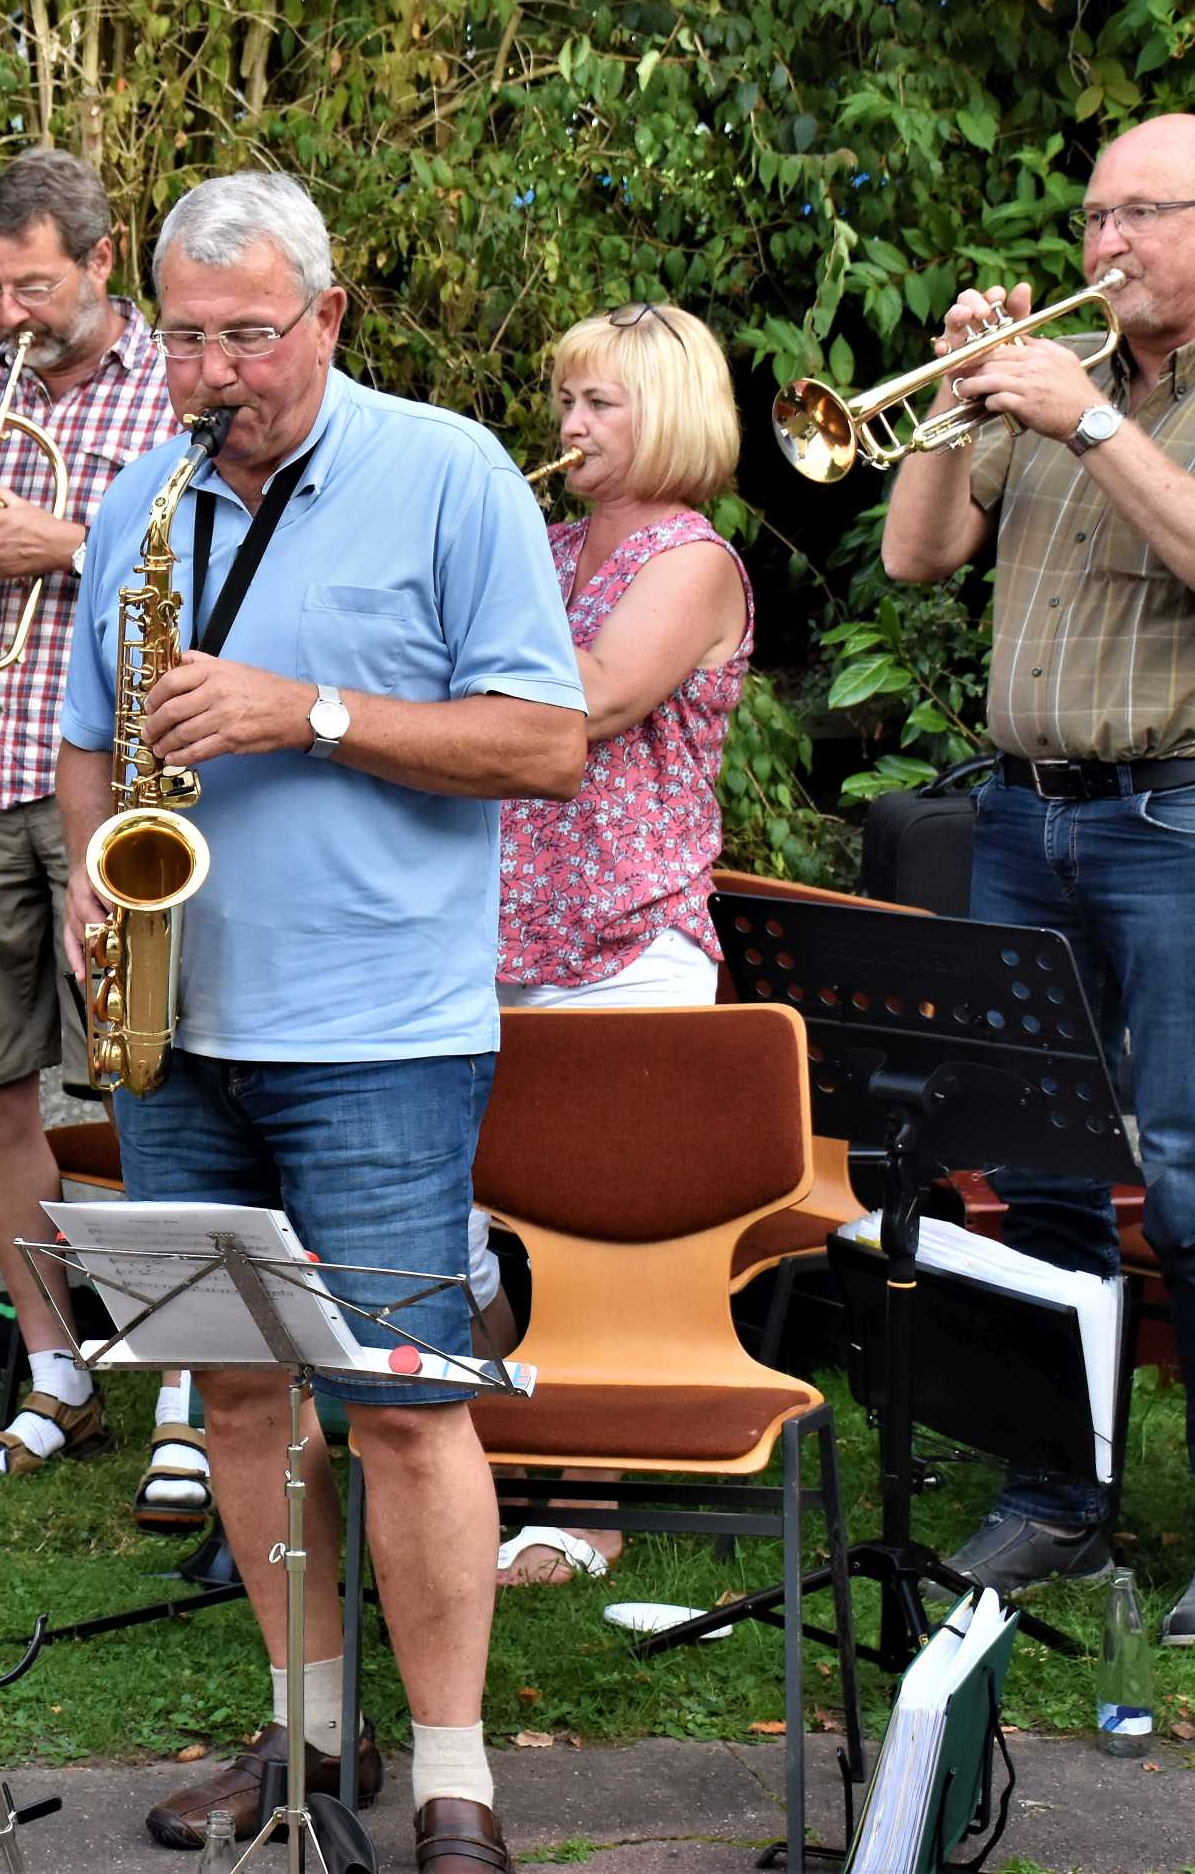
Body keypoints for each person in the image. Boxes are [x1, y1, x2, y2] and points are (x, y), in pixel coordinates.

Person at [57, 172, 585, 1874]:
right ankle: (307, 1732)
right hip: (179, 1028)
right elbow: (88, 742)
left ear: (329, 317)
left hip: (381, 1037)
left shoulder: (451, 472)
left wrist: (317, 714)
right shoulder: (141, 498)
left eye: (250, 336)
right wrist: (84, 883)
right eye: (185, 340)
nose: (215, 375)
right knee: (234, 1395)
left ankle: (454, 1777)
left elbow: (545, 742)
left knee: (407, 1405)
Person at [881, 113, 1195, 1640]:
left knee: (1193, 1180)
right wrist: (953, 404)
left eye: (1140, 216)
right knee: (1040, 1171)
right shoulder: (1064, 375)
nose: (1105, 246)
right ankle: (1059, 1496)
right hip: (1027, 817)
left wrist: (1091, 424)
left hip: (1191, 818)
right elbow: (918, 555)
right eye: (1094, 217)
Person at [0, 146, 202, 1514]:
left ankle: (191, 1380)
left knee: (148, 1079)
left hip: (114, 775)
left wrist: (62, 542)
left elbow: (207, 557)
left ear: (103, 260)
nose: (11, 314)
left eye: (36, 288)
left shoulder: (178, 382)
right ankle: (57, 1365)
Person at [486, 301, 753, 1587]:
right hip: (499, 933)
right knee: (450, 1221)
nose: (570, 423)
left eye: (600, 402)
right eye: (564, 399)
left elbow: (587, 698)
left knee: (588, 1243)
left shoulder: (691, 561)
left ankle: (585, 1505)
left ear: (673, 415)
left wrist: (461, 616)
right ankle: (501, 1445)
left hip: (627, 937)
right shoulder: (538, 545)